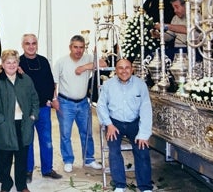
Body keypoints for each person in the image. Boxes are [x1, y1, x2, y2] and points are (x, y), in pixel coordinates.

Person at [0, 49, 39, 192]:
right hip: (5, 125)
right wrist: (0, 120)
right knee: (4, 158)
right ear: (2, 64)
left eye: (14, 62)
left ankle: (22, 185)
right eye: (8, 62)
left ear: (18, 63)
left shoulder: (25, 80)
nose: (11, 65)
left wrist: (33, 115)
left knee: (22, 157)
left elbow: (35, 98)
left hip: (23, 123)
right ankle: (6, 184)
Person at [96, 58, 153, 192]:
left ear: (132, 69)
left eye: (127, 68)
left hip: (134, 123)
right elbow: (101, 106)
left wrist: (144, 134)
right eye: (120, 68)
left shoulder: (140, 85)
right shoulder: (108, 85)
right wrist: (109, 124)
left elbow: (146, 109)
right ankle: (120, 185)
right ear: (116, 70)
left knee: (142, 150)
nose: (124, 71)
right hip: (114, 123)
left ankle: (145, 187)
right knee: (114, 150)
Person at [52, 35, 106, 173]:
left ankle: (89, 159)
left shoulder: (88, 57)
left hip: (83, 103)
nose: (78, 50)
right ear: (70, 47)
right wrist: (54, 99)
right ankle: (68, 160)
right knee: (65, 134)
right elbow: (54, 83)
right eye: (75, 47)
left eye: (81, 47)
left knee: (87, 132)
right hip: (65, 102)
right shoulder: (61, 62)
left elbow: (103, 63)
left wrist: (85, 67)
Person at [19, 34, 62, 183]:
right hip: (26, 109)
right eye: (27, 43)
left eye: (34, 43)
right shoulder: (18, 62)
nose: (31, 46)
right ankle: (28, 170)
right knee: (27, 141)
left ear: (37, 45)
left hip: (44, 108)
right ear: (22, 45)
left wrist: (53, 99)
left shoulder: (43, 61)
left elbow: (50, 83)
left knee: (47, 140)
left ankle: (47, 169)